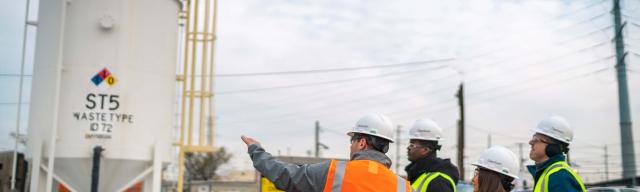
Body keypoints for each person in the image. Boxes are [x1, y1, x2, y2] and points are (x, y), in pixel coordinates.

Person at [241, 113, 411, 192]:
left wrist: (256, 150)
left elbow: (284, 175)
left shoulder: (333, 172)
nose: (350, 146)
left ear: (361, 143)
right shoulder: (404, 187)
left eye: (352, 141)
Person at [527, 115, 586, 192]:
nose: (530, 142)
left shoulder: (559, 177)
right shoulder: (549, 174)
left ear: (552, 147)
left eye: (536, 139)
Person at [404, 118, 459, 192]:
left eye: (412, 145)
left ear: (425, 150)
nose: (408, 148)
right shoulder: (419, 174)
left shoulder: (438, 183)